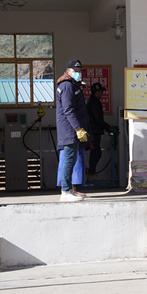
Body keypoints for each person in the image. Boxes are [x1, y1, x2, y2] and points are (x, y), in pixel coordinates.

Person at [56, 58, 90, 201]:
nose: (79, 73)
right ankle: (65, 191)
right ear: (68, 71)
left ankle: (69, 190)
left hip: (72, 129)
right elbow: (68, 110)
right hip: (69, 129)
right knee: (69, 160)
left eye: (80, 71)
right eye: (76, 71)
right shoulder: (66, 86)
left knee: (72, 159)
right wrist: (78, 129)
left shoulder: (71, 85)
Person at [85, 82, 117, 181]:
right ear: (97, 92)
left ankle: (91, 172)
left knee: (97, 152)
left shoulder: (92, 101)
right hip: (93, 131)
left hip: (94, 130)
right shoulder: (93, 102)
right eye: (101, 91)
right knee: (95, 152)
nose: (102, 93)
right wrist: (109, 127)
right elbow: (97, 119)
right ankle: (91, 174)